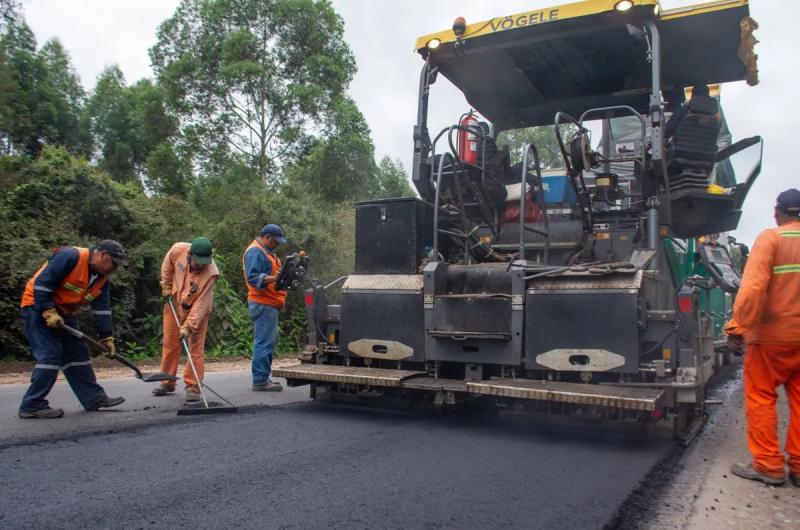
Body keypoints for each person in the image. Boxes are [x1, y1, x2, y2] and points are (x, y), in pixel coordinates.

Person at [725, 188, 800, 487]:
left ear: (777, 212)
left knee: (761, 397)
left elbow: (753, 289)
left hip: (771, 338)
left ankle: (769, 466)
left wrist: (738, 327)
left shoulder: (771, 238)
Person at [18, 240, 128, 418]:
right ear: (102, 255)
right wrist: (47, 310)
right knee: (51, 355)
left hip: (64, 313)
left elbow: (102, 309)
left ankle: (93, 398)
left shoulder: (102, 279)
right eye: (114, 263)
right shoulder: (70, 256)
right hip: (36, 308)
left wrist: (106, 337)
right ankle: (32, 404)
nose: (114, 268)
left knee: (78, 355)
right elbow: (42, 284)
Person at [153, 237, 219, 402]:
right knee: (170, 343)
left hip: (197, 311)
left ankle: (193, 387)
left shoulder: (211, 273)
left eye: (205, 262)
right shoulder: (178, 250)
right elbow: (167, 265)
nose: (201, 266)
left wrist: (189, 326)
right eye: (198, 262)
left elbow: (202, 303)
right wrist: (166, 285)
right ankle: (167, 381)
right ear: (190, 255)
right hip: (174, 302)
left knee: (195, 349)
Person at [243, 224, 288, 392]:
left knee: (267, 341)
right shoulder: (255, 251)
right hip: (263, 302)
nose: (277, 244)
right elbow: (253, 277)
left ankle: (263, 378)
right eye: (276, 241)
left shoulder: (267, 252)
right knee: (263, 342)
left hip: (269, 302)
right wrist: (275, 278)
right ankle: (260, 380)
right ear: (267, 237)